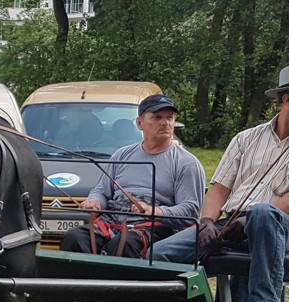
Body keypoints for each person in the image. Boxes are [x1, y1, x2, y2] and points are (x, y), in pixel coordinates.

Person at [149, 64, 289, 302]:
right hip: (233, 223)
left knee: (262, 214)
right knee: (158, 254)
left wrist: (250, 219)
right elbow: (219, 189)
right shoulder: (246, 138)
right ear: (288, 100)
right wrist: (207, 222)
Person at [60, 94, 205, 258]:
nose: (165, 123)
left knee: (124, 243)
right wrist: (95, 202)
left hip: (155, 226)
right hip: (113, 220)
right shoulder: (122, 155)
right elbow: (101, 191)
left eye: (169, 118)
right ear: (139, 123)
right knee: (74, 238)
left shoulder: (186, 163)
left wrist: (156, 211)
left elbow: (191, 210)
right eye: (157, 117)